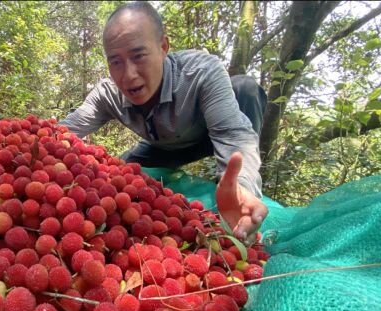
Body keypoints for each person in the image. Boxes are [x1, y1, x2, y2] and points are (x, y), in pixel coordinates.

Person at [60, 2, 268, 244]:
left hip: (211, 135)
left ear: (163, 47)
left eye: (138, 56)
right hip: (162, 148)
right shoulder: (108, 94)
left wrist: (242, 186)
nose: (128, 75)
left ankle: (238, 198)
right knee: (120, 175)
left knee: (245, 87)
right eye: (115, 62)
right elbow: (64, 130)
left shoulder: (200, 72)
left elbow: (234, 136)